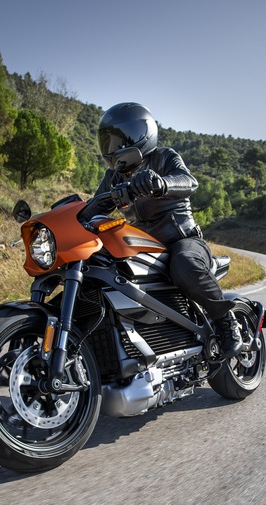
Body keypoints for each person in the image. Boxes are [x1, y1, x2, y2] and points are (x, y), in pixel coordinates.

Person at [81, 102, 241, 358]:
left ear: (138, 136)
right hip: (143, 248)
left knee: (185, 263)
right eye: (107, 142)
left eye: (116, 141)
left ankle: (225, 320)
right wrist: (74, 215)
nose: (111, 149)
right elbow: (94, 207)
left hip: (182, 240)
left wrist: (161, 184)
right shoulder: (113, 177)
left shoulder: (164, 157)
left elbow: (189, 181)